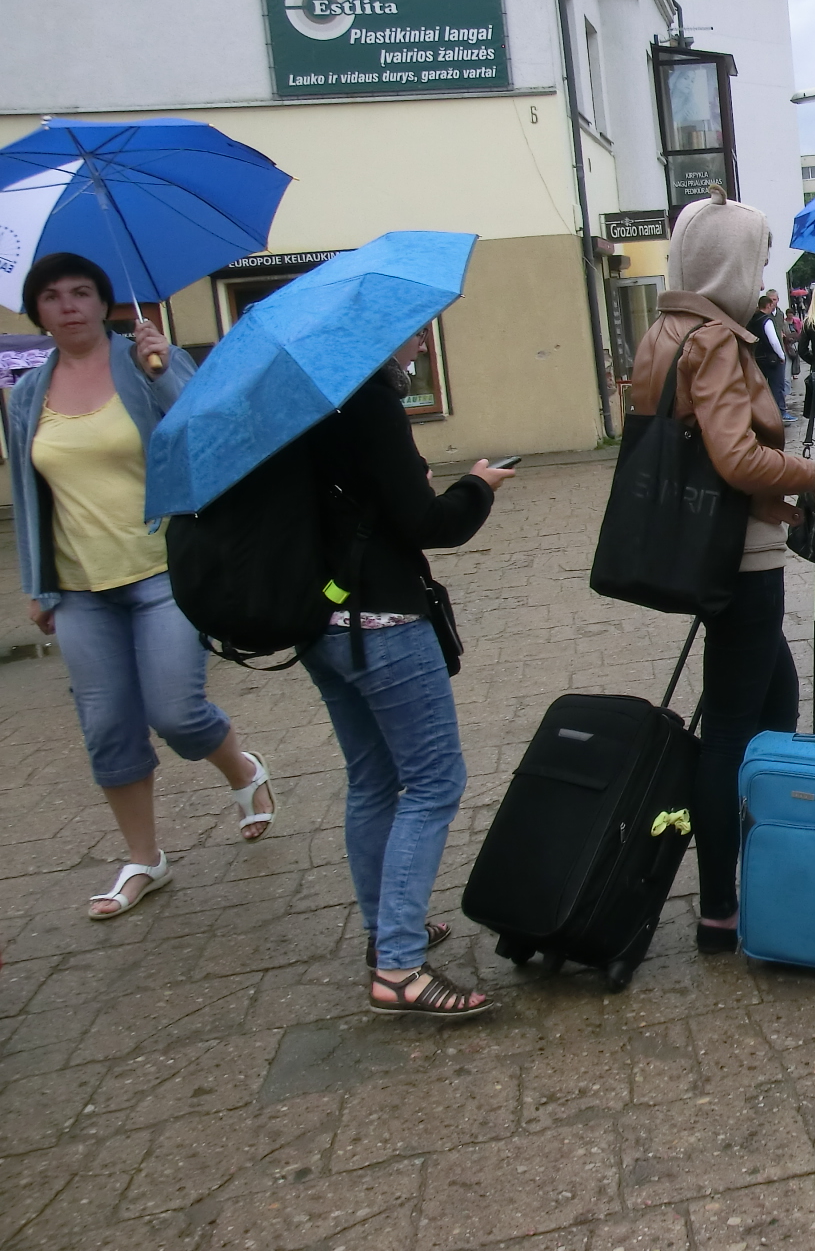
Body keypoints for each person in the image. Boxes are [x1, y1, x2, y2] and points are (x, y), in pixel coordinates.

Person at [8, 253, 274, 920]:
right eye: (52, 296)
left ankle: (243, 770)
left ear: (105, 303)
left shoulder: (146, 361)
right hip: (79, 589)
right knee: (107, 727)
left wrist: (165, 369)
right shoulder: (27, 395)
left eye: (81, 292)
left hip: (163, 571)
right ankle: (144, 859)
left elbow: (205, 432)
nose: (68, 305)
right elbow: (27, 493)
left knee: (176, 712)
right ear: (37, 312)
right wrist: (38, 586)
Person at [635, 196, 815, 951]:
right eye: (756, 260)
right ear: (730, 264)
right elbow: (736, 458)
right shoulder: (715, 342)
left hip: (702, 548)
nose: (762, 277)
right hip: (739, 555)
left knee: (774, 698)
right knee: (733, 728)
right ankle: (719, 909)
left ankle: (769, 860)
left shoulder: (664, 332)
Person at [294, 330, 509, 1016]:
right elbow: (427, 523)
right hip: (381, 620)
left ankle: (385, 930)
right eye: (417, 329)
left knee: (373, 778)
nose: (422, 341)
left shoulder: (310, 396)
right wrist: (477, 487)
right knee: (435, 780)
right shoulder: (371, 400)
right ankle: (399, 968)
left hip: (318, 620)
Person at [746, 292, 793, 423]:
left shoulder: (752, 319)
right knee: (777, 386)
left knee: (761, 387)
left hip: (757, 357)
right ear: (767, 305)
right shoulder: (766, 320)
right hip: (771, 358)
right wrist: (781, 355)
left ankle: (763, 414)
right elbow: (774, 341)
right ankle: (781, 413)